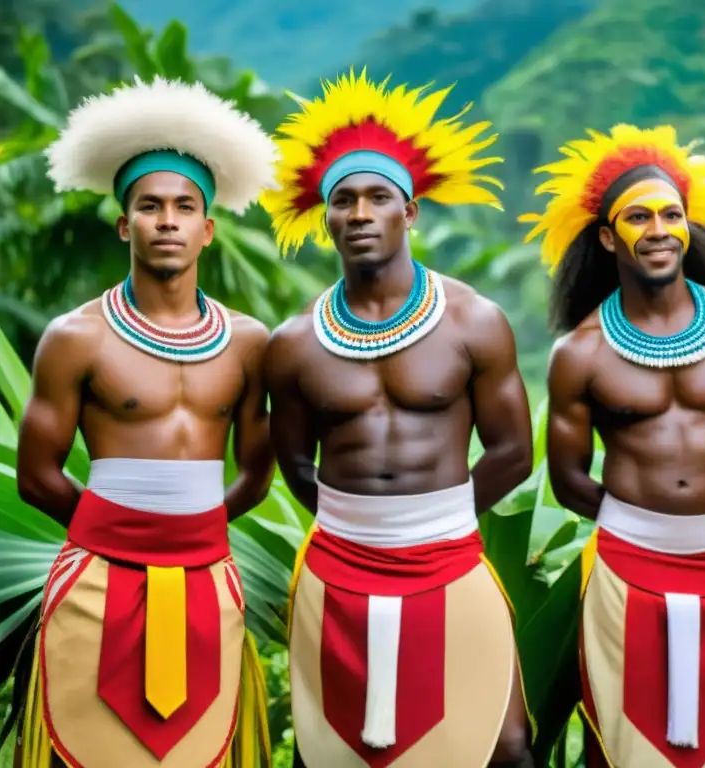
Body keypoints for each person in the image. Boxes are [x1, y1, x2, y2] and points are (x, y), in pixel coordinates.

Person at [260, 68, 535, 768]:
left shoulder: (474, 322)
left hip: (449, 552)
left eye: (378, 197)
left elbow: (512, 451)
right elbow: (293, 461)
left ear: (409, 211)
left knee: (504, 745)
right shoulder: (294, 345)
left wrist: (431, 521)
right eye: (343, 200)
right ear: (325, 217)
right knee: (330, 751)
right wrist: (363, 525)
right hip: (339, 562)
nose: (359, 213)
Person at [12, 76, 279, 768]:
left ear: (208, 228)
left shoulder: (249, 341)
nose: (167, 220)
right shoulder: (77, 338)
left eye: (184, 207)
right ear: (125, 224)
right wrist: (119, 530)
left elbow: (257, 466)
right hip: (97, 573)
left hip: (208, 576)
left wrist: (197, 526)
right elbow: (38, 475)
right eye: (150, 206)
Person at [523, 123, 705, 767]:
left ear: (688, 227)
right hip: (627, 566)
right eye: (638, 217)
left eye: (671, 215)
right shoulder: (581, 352)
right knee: (630, 736)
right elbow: (568, 478)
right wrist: (646, 526)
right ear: (606, 236)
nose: (657, 229)